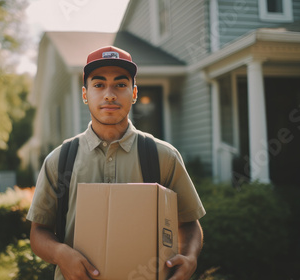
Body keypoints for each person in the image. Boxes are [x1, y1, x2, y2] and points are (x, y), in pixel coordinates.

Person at [27, 46, 206, 280]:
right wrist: (60, 253)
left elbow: (190, 223)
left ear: (134, 93)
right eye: (99, 85)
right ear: (84, 94)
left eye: (120, 85)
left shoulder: (163, 156)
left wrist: (190, 257)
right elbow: (39, 231)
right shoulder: (60, 161)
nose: (109, 94)